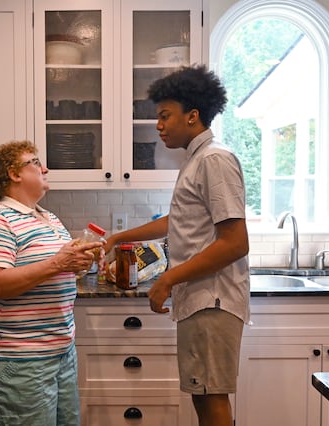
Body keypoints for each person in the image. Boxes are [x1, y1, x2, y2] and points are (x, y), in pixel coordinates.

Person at [103, 65, 250, 426]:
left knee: (212, 399)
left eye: (166, 115)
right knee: (203, 396)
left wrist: (169, 278)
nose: (159, 125)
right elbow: (177, 221)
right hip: (199, 300)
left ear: (193, 115)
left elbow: (235, 242)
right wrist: (118, 238)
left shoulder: (214, 160)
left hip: (211, 299)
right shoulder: (197, 160)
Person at [0, 140, 102, 426]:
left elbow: (61, 270)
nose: (45, 168)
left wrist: (83, 260)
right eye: (35, 162)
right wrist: (59, 263)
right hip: (18, 361)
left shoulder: (48, 218)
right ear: (14, 174)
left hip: (61, 353)